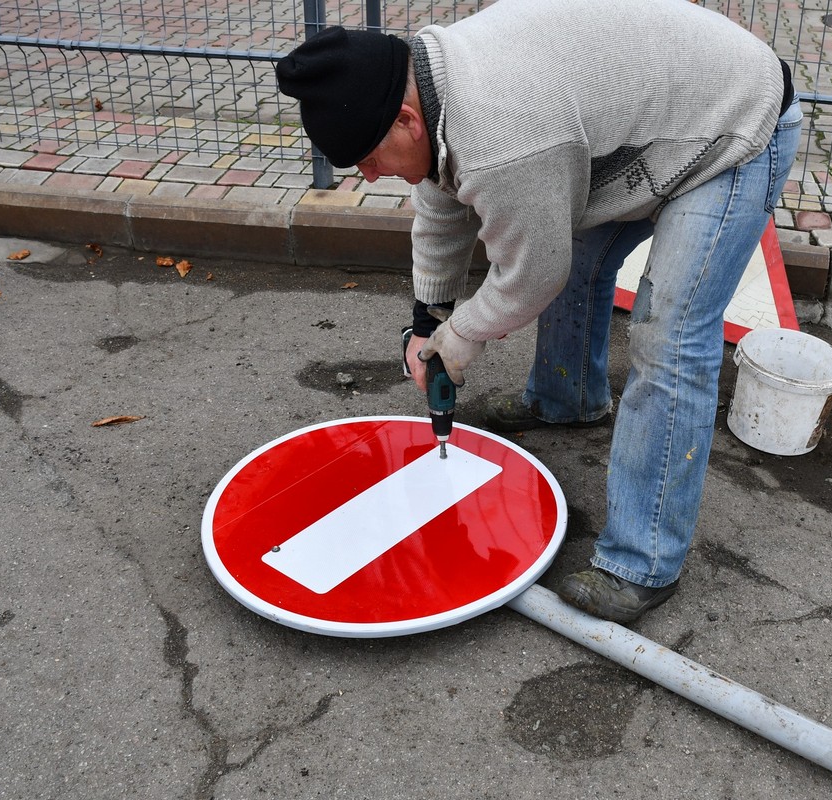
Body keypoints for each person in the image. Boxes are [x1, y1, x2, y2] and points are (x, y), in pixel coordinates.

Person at [276, 0, 802, 624]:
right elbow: (442, 201)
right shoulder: (425, 79)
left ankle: (643, 561)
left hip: (734, 123)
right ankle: (566, 398)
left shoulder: (501, 138)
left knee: (670, 333)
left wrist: (459, 337)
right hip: (651, 120)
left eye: (367, 159)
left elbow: (533, 275)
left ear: (408, 120)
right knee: (574, 248)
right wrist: (426, 322)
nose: (368, 174)